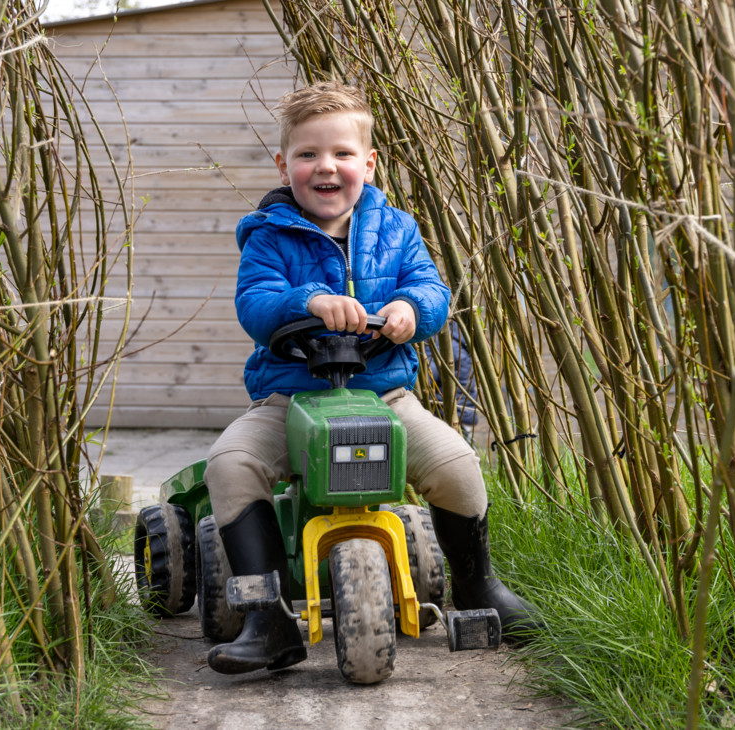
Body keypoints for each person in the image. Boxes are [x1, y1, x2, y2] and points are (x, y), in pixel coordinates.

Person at [203, 81, 537, 676]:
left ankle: (478, 586)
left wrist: (414, 309)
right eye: (308, 155)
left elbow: (432, 288)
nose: (325, 167)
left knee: (457, 464)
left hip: (384, 395)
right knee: (231, 466)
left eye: (342, 154)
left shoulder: (397, 230)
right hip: (292, 398)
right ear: (285, 164)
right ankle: (266, 618)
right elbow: (256, 305)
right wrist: (309, 299)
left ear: (368, 163)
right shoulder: (267, 238)